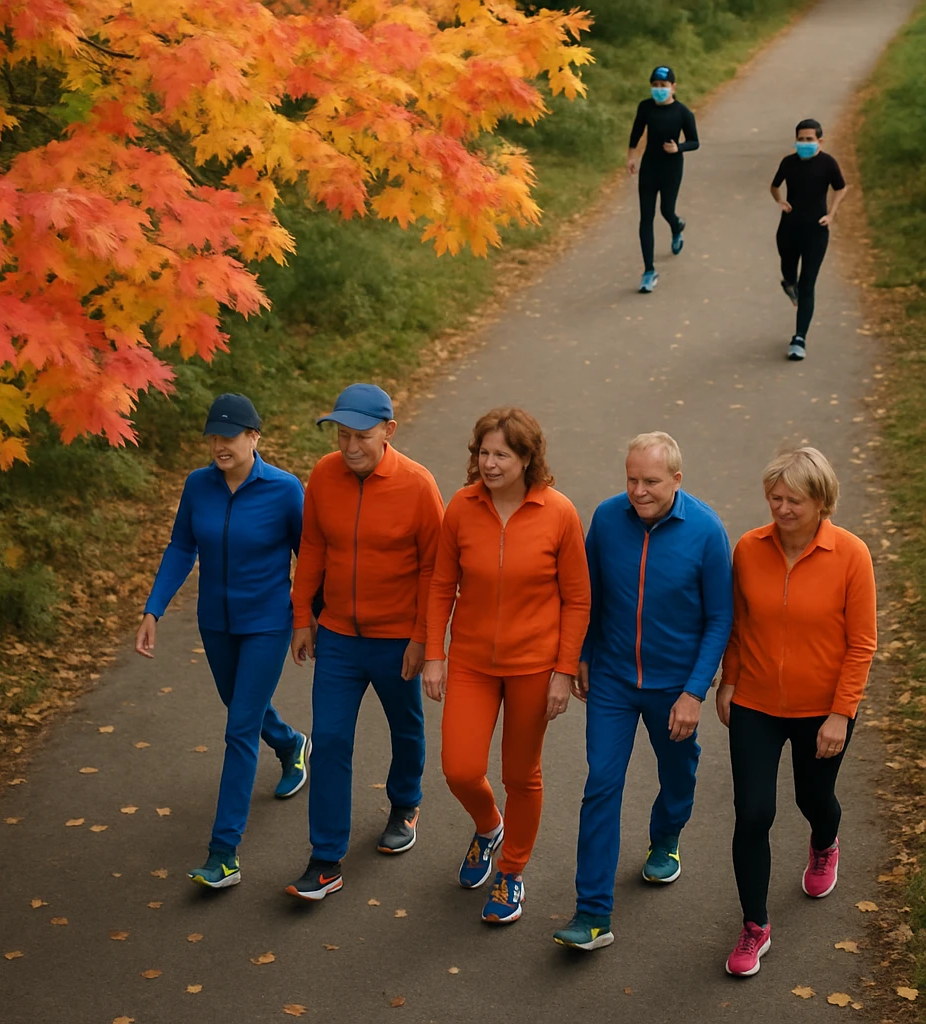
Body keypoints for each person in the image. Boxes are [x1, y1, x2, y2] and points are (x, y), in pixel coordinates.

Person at [553, 431, 733, 951]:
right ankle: (592, 914)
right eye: (631, 479)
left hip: (674, 687)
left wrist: (694, 692)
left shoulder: (705, 531)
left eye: (651, 481)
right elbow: (588, 595)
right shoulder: (608, 520)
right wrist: (582, 656)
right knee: (601, 785)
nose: (638, 491)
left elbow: (721, 617)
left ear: (677, 479)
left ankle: (667, 835)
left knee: (678, 773)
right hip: (611, 680)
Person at [423, 408, 590, 925]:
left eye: (501, 454)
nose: (489, 464)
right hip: (472, 661)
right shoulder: (461, 507)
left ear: (527, 459)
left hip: (534, 668)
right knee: (460, 768)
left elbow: (578, 598)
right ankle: (488, 825)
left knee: (522, 774)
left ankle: (512, 871)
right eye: (483, 453)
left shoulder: (558, 512)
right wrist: (435, 654)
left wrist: (564, 669)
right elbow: (439, 586)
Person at [136, 393, 309, 890]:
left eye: (228, 436)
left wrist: (306, 619)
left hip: (267, 623)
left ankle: (224, 853)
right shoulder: (198, 485)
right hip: (215, 622)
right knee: (241, 706)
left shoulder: (284, 489)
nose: (219, 445)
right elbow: (181, 546)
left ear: (254, 437)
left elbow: (309, 556)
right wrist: (153, 609)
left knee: (238, 729)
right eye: (213, 436)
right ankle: (292, 743)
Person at [717, 448, 876, 977]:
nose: (781, 508)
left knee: (815, 797)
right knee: (754, 813)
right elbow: (738, 625)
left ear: (822, 502)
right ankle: (755, 926)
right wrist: (729, 682)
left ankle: (825, 841)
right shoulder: (749, 548)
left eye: (794, 500)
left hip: (822, 710)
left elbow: (862, 644)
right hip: (756, 703)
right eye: (775, 497)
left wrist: (841, 712)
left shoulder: (851, 555)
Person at [285, 383, 445, 901]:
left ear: (389, 431)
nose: (349, 447)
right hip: (337, 636)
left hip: (396, 638)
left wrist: (423, 638)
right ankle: (325, 858)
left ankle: (405, 803)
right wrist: (302, 617)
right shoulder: (324, 476)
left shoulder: (418, 486)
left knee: (405, 727)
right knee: (330, 740)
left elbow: (435, 570)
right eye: (341, 435)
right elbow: (311, 545)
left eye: (361, 436)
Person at [770, 118, 848, 361]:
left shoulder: (827, 164)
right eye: (801, 139)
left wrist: (831, 214)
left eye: (809, 140)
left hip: (816, 231)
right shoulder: (788, 162)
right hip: (789, 228)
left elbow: (841, 188)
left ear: (820, 142)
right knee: (788, 270)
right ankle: (789, 284)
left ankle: (799, 338)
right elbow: (774, 186)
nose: (804, 143)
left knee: (808, 284)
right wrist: (779, 201)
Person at [627, 65, 699, 294]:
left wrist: (678, 147)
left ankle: (677, 226)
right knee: (645, 218)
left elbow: (694, 141)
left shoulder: (682, 113)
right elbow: (637, 131)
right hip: (649, 167)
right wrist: (631, 156)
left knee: (667, 210)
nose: (659, 90)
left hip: (671, 169)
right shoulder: (645, 107)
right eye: (655, 86)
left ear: (673, 87)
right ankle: (649, 271)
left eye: (663, 86)